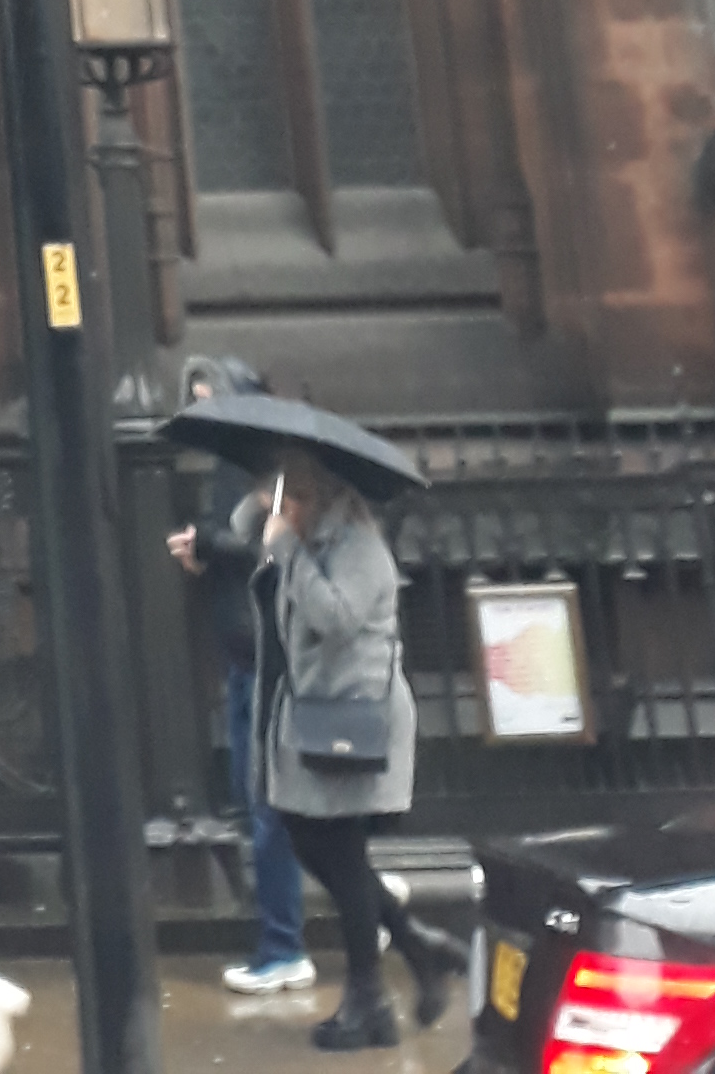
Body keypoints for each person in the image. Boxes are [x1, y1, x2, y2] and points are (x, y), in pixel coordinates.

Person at [254, 449, 463, 1052]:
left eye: (287, 496)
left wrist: (288, 552)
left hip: (356, 719)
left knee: (341, 853)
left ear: (314, 497)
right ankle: (416, 946)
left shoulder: (358, 548)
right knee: (309, 838)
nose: (279, 507)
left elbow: (337, 618)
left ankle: (369, 1001)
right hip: (317, 717)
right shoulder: (310, 544)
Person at [168, 351, 313, 999]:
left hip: (270, 657)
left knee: (269, 809)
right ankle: (365, 896)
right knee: (259, 803)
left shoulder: (271, 467)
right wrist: (205, 553)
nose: (205, 412)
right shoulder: (232, 468)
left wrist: (208, 544)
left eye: (211, 398)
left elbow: (272, 549)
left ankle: (284, 949)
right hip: (242, 655)